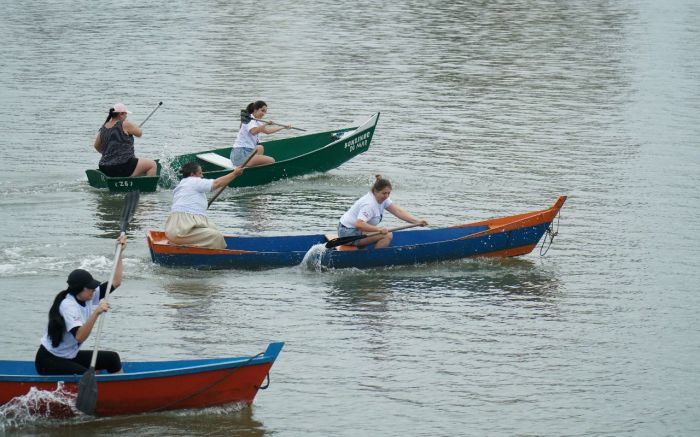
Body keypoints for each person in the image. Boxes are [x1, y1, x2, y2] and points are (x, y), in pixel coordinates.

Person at [35, 236, 127, 375]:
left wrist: (119, 253)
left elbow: (116, 281)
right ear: (79, 289)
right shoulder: (68, 306)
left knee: (112, 358)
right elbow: (79, 336)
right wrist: (96, 313)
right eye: (89, 288)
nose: (93, 290)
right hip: (49, 361)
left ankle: (121, 391)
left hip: (70, 356)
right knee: (88, 375)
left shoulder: (88, 296)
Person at [164, 162, 246, 249]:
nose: (202, 176)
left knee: (214, 229)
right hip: (181, 230)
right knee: (216, 236)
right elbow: (217, 184)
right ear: (192, 174)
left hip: (174, 230)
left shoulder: (181, 185)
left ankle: (184, 245)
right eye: (200, 173)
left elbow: (190, 204)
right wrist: (234, 174)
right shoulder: (193, 181)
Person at [337, 175, 428, 249]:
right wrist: (379, 229)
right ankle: (373, 260)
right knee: (387, 235)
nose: (386, 196)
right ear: (376, 191)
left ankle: (367, 252)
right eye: (384, 193)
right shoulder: (369, 204)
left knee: (382, 231)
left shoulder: (383, 199)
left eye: (388, 193)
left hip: (352, 230)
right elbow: (359, 224)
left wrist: (417, 221)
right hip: (348, 234)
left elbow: (398, 211)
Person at [93, 103, 157, 177]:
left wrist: (109, 155)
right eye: (125, 114)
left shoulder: (104, 127)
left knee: (134, 160)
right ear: (121, 114)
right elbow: (139, 133)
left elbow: (96, 146)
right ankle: (147, 187)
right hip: (122, 167)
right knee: (152, 164)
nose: (126, 116)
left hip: (104, 167)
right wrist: (134, 126)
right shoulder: (125, 124)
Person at [230, 101, 291, 167]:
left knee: (260, 148)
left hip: (246, 152)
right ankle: (249, 166)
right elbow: (253, 132)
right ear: (255, 110)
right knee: (271, 160)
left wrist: (283, 127)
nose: (263, 114)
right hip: (240, 155)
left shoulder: (256, 120)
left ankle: (252, 167)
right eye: (262, 111)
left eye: (265, 112)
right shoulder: (249, 119)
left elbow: (267, 131)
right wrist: (266, 124)